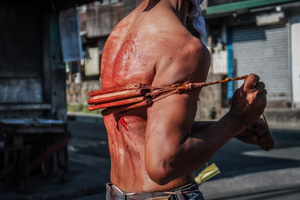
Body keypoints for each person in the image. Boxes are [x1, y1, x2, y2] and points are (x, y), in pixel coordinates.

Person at [100, 0, 274, 199]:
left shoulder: (118, 34)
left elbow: (143, 126)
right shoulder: (181, 45)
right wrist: (237, 120)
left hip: (117, 193)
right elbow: (164, 165)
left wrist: (224, 129)